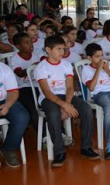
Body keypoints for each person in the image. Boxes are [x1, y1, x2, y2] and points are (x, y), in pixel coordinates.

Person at [36, 36, 98, 167]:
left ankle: (86, 147)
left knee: (86, 109)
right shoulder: (41, 67)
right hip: (48, 98)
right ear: (48, 49)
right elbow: (47, 92)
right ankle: (59, 152)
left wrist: (67, 104)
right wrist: (64, 105)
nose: (62, 52)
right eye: (58, 49)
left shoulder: (66, 65)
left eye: (63, 49)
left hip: (66, 96)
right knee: (53, 114)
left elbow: (70, 87)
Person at [0, 61, 30, 168]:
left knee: (22, 117)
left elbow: (13, 92)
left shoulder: (4, 69)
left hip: (5, 100)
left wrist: (7, 105)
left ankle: (9, 149)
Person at [9, 32, 42, 129]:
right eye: (26, 42)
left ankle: (60, 131)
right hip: (23, 88)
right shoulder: (14, 59)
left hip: (38, 86)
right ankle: (43, 134)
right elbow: (19, 73)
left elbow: (44, 60)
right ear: (18, 46)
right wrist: (33, 66)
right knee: (33, 107)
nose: (31, 44)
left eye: (31, 41)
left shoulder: (36, 55)